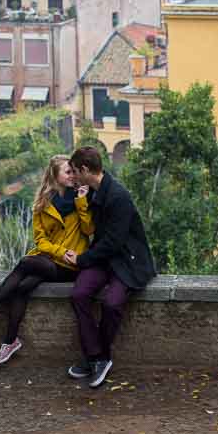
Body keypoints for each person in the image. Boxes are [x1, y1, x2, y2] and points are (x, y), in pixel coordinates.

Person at [0, 154, 94, 365]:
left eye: (73, 171)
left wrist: (82, 202)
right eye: (68, 171)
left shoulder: (81, 195)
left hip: (71, 264)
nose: (72, 175)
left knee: (25, 262)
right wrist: (58, 251)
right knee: (22, 287)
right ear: (55, 175)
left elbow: (89, 229)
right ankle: (9, 342)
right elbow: (41, 241)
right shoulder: (42, 203)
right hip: (51, 259)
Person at [65, 146, 156, 388]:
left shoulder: (118, 196)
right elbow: (95, 234)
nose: (72, 176)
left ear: (85, 170)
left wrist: (82, 260)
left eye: (74, 172)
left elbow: (114, 243)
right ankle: (95, 356)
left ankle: (99, 357)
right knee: (79, 293)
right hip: (106, 259)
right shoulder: (94, 193)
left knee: (112, 303)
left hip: (128, 261)